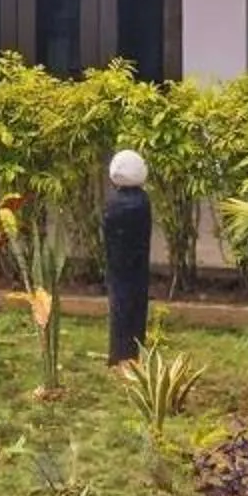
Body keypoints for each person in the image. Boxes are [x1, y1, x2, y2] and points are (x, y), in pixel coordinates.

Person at [101, 149, 153, 365]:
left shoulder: (114, 202)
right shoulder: (142, 201)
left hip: (118, 265)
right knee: (134, 304)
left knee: (121, 304)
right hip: (136, 265)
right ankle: (131, 353)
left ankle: (121, 353)